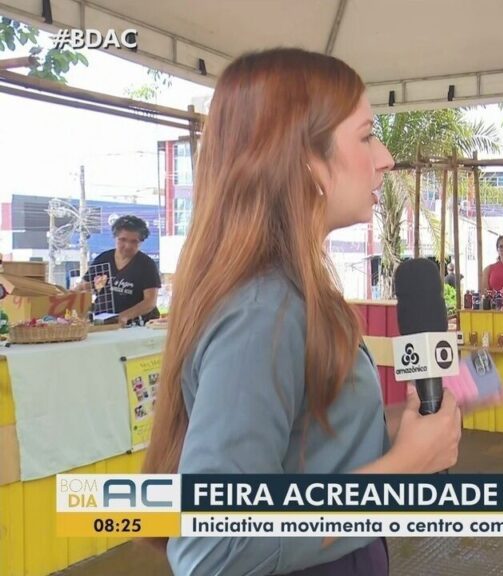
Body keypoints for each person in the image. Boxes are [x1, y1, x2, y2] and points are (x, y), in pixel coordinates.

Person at [142, 48, 462, 575]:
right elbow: (214, 549)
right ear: (302, 159)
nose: (385, 158)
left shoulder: (294, 293)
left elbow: (306, 450)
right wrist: (402, 469)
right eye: (366, 136)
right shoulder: (263, 310)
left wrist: (400, 433)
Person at [77, 215, 161, 326]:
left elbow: (150, 302)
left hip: (137, 325)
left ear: (141, 242)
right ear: (115, 238)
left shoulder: (147, 265)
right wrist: (80, 291)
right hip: (102, 322)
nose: (128, 246)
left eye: (134, 241)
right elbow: (83, 287)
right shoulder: (103, 259)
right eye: (123, 240)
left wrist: (124, 316)